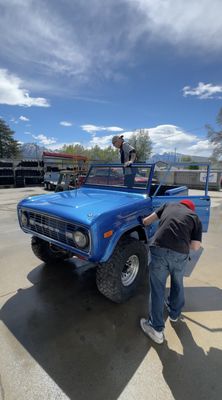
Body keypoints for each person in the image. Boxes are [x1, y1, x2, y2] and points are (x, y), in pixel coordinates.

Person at [140, 199, 202, 345]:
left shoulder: (168, 205)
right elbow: (195, 247)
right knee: (177, 282)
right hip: (180, 254)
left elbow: (147, 221)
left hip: (159, 248)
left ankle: (156, 330)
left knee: (157, 289)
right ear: (191, 209)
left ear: (181, 204)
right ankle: (174, 314)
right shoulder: (194, 217)